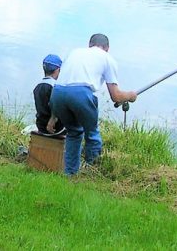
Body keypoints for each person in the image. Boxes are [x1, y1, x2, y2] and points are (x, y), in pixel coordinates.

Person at [49, 33, 137, 175]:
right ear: (107, 48)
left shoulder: (75, 52)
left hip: (57, 94)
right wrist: (131, 96)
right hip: (80, 94)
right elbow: (116, 96)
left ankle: (70, 174)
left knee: (74, 132)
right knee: (92, 135)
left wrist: (53, 117)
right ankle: (92, 173)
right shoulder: (108, 59)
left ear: (89, 45)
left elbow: (62, 82)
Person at [33, 53, 65, 135]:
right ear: (58, 70)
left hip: (41, 127)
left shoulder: (37, 87)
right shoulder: (56, 87)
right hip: (56, 129)